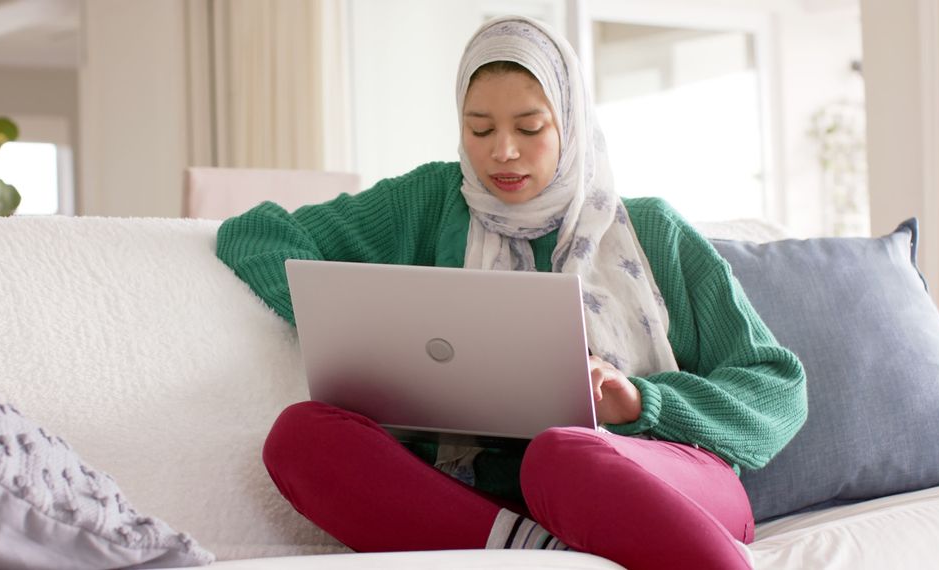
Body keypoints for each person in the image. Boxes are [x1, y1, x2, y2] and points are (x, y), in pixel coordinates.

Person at [216, 15, 806, 570]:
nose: (502, 151)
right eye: (479, 128)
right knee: (301, 437)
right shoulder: (429, 200)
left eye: (529, 128)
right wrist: (343, 322)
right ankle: (533, 550)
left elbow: (779, 390)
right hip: (491, 495)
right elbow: (256, 232)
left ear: (569, 121)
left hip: (660, 477)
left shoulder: (653, 230)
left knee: (561, 456)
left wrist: (641, 402)